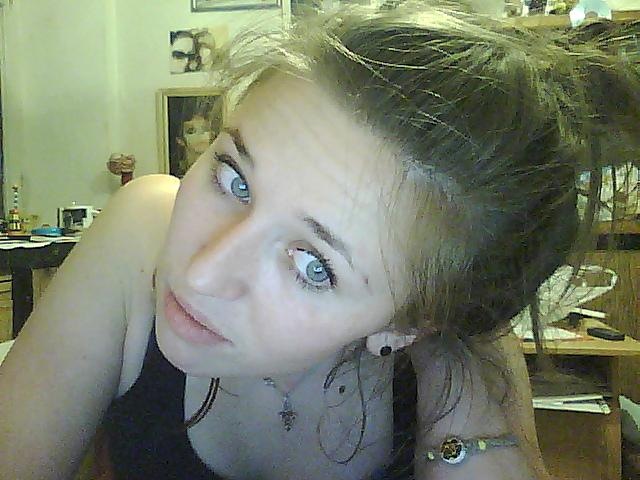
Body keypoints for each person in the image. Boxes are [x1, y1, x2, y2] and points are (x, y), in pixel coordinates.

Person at [1, 3, 639, 480]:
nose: (199, 273)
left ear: (409, 324)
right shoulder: (138, 229)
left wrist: (461, 369)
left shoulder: (448, 335)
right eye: (234, 179)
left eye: (313, 266)